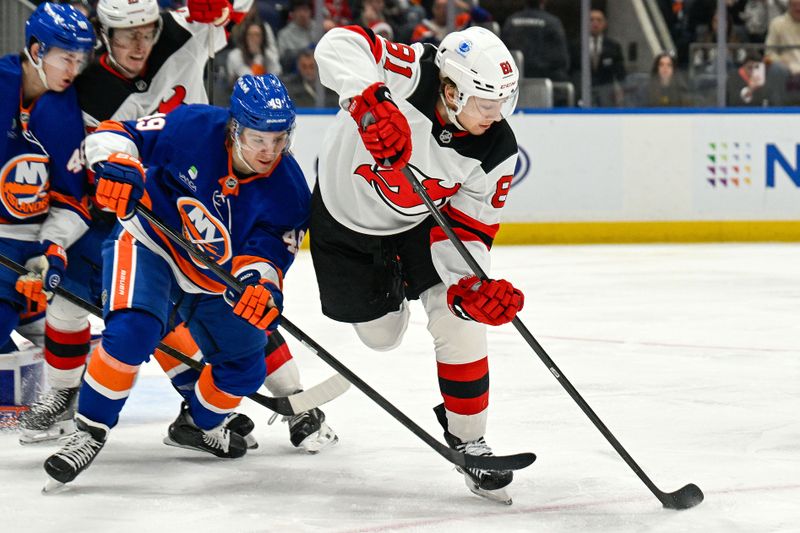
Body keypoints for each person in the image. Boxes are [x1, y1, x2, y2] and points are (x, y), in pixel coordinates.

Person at [21, 0, 337, 454]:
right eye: (126, 34)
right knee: (100, 313)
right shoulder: (84, 90)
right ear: (103, 35)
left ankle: (210, 410)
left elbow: (231, 11)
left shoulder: (186, 34)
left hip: (202, 222)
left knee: (242, 320)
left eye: (147, 31)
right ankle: (69, 399)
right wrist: (110, 168)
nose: (139, 44)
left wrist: (218, 5)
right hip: (127, 213)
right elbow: (102, 138)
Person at [43, 74, 314, 488]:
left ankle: (196, 425)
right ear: (235, 127)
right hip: (149, 243)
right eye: (260, 138)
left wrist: (259, 286)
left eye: (279, 139)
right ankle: (89, 430)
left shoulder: (290, 190)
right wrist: (117, 165)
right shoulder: (192, 127)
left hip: (213, 281)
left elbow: (268, 254)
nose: (270, 151)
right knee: (133, 330)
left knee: (243, 368)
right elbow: (117, 134)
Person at [311, 25, 525, 502]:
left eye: (503, 103)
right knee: (382, 337)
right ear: (451, 89)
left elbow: (469, 233)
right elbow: (338, 45)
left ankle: (470, 442)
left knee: (459, 319)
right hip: (344, 222)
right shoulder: (413, 72)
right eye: (486, 103)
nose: (497, 116)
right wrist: (369, 100)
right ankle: (391, 293)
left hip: (420, 225)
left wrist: (471, 290)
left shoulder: (495, 151)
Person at [0, 4, 93, 372]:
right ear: (37, 51)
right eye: (66, 58)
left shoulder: (68, 110)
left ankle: (28, 316)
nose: (74, 70)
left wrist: (50, 250)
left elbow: (74, 200)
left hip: (28, 249)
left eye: (79, 60)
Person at [501, 0, 570, 81]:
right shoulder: (552, 23)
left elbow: (502, 55)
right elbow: (562, 60)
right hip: (545, 81)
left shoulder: (510, 22)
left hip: (514, 81)